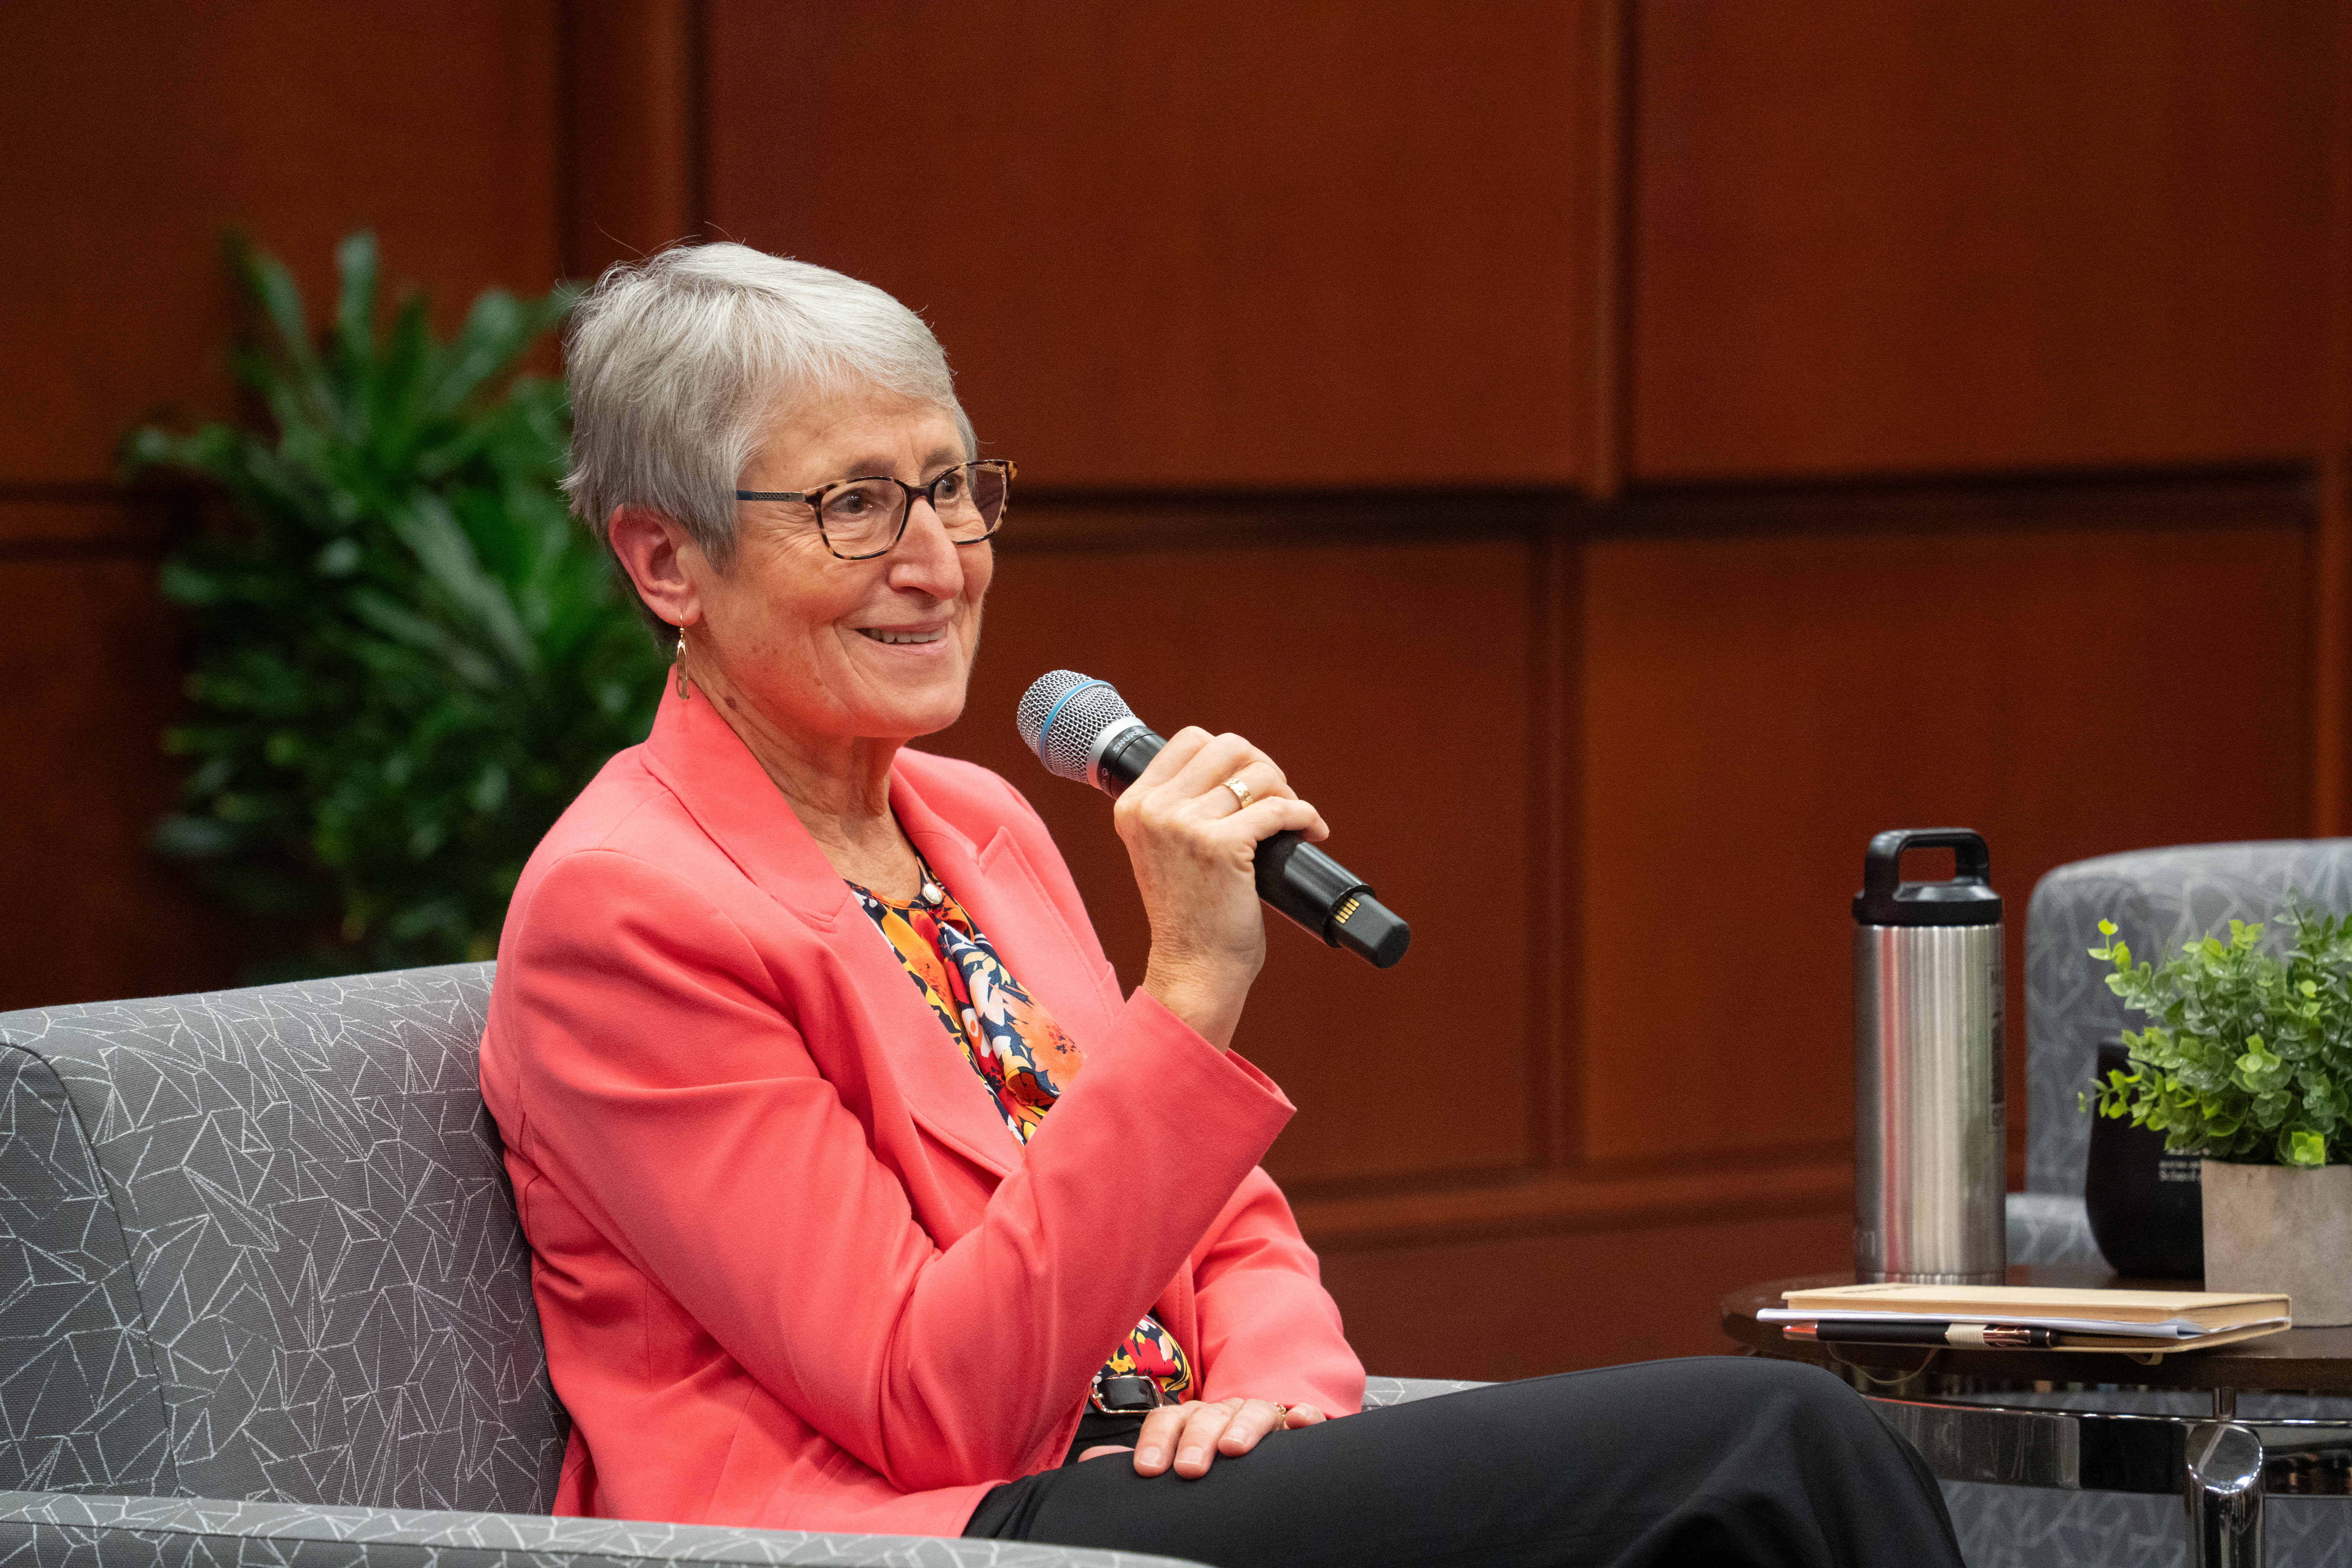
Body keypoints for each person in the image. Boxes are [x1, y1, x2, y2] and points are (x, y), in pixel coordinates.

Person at [476, 242, 1963, 1567]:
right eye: (854, 506)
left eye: (949, 486)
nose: (939, 563)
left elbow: (1225, 1224)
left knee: (1764, 1483)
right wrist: (1188, 986)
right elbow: (930, 1402)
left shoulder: (978, 822)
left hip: (1151, 1490)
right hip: (925, 1531)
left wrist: (1278, 1396)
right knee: (1769, 1444)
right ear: (665, 558)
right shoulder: (630, 910)